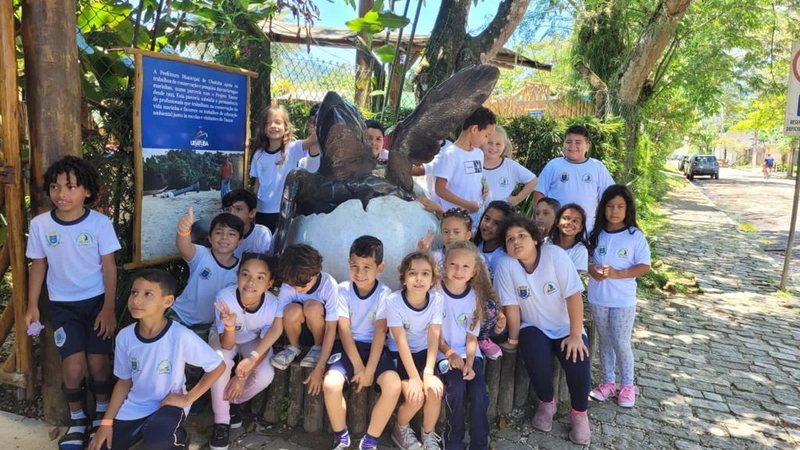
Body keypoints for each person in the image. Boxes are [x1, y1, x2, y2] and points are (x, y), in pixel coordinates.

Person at [25, 156, 121, 449]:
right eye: (55, 187)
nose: (61, 194)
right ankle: (78, 419)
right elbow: (38, 265)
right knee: (74, 365)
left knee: (98, 362)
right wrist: (32, 305)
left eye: (70, 187)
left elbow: (109, 267)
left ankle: (102, 417)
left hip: (95, 304)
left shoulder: (100, 224)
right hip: (62, 306)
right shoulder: (41, 225)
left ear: (87, 191)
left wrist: (108, 307)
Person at [88, 269, 225, 450]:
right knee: (102, 446)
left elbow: (218, 366)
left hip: (168, 405)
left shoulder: (180, 336)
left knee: (158, 440)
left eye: (148, 294)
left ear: (167, 301)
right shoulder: (125, 336)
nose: (136, 300)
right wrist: (106, 422)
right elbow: (124, 381)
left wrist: (187, 399)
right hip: (135, 406)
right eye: (134, 292)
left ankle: (180, 441)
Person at [494, 215, 592, 446]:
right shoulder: (505, 265)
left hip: (566, 326)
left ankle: (579, 413)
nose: (516, 242)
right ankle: (547, 402)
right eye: (509, 239)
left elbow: (574, 296)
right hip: (534, 327)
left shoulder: (555, 255)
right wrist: (513, 339)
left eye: (521, 236)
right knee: (532, 349)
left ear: (535, 239)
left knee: (578, 358)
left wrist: (576, 335)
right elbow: (513, 308)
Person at [323, 236, 400, 450]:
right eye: (355, 266)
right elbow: (344, 330)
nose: (360, 273)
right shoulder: (343, 290)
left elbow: (380, 333)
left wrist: (370, 371)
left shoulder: (385, 294)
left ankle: (370, 439)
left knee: (393, 385)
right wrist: (358, 367)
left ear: (380, 267)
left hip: (375, 350)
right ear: (348, 263)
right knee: (330, 384)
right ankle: (341, 435)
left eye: (367, 267)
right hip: (348, 347)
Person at [208, 253, 283, 450]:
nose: (251, 282)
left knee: (266, 374)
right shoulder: (225, 298)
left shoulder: (273, 304)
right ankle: (222, 421)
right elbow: (226, 344)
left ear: (269, 283)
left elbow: (265, 343)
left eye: (260, 277)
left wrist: (242, 376)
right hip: (225, 337)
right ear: (238, 275)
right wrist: (230, 326)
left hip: (253, 340)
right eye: (245, 274)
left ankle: (232, 402)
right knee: (220, 359)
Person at [587, 185, 651, 408]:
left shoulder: (635, 236)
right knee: (605, 341)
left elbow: (644, 266)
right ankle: (607, 383)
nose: (614, 211)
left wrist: (619, 274)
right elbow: (587, 261)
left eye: (620, 206)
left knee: (621, 343)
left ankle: (627, 386)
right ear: (603, 208)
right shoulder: (596, 234)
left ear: (628, 209)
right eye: (610, 206)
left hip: (623, 301)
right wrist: (592, 269)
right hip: (598, 298)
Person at [438, 241, 504, 450]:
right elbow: (433, 335)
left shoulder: (475, 298)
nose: (458, 271)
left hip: (469, 353)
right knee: (456, 388)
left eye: (465, 266)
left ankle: (479, 443)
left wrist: (469, 362)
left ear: (474, 271)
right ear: (444, 266)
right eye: (453, 264)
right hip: (443, 354)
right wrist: (450, 354)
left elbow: (471, 337)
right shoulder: (435, 294)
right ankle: (453, 439)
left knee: (479, 394)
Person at [384, 251, 444, 450]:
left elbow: (434, 336)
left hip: (423, 354)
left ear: (433, 279)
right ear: (403, 278)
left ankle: (428, 435)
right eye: (412, 273)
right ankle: (400, 429)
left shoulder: (437, 299)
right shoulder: (393, 301)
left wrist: (427, 372)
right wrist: (414, 378)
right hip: (399, 356)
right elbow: (400, 342)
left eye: (425, 274)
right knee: (415, 396)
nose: (419, 279)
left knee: (435, 390)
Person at [271, 244, 340, 399]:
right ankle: (294, 347)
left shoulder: (328, 285)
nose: (298, 289)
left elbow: (331, 327)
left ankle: (316, 347)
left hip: (321, 332)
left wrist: (321, 365)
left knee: (312, 307)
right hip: (298, 331)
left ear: (316, 272)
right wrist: (256, 355)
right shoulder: (288, 286)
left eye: (303, 284)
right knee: (290, 310)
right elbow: (278, 322)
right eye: (293, 285)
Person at [172, 209, 242, 338]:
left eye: (231, 234)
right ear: (210, 238)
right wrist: (184, 230)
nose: (224, 237)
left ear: (240, 241)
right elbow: (184, 247)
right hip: (179, 316)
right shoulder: (201, 254)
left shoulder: (241, 270)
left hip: (207, 326)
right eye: (219, 232)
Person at [249, 105, 320, 232]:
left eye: (278, 122)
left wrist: (318, 119)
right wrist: (252, 207)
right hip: (262, 210)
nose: (273, 126)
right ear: (263, 128)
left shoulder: (293, 149)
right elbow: (257, 183)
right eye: (268, 123)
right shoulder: (258, 154)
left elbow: (314, 138)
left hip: (286, 211)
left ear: (285, 127)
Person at [534, 124, 614, 231]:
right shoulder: (553, 165)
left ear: (587, 146)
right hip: (556, 228)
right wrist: (540, 221)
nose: (572, 146)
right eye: (568, 142)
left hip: (588, 229)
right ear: (563, 145)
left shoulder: (597, 167)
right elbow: (539, 193)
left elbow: (610, 196)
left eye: (578, 142)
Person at [434, 107, 497, 224]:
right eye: (486, 136)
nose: (486, 141)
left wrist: (484, 186)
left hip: (476, 218)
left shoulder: (478, 154)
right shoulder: (450, 154)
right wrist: (467, 205)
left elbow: (477, 177)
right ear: (474, 129)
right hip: (456, 220)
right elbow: (440, 189)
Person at [481, 126, 537, 206]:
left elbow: (533, 181)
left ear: (504, 146)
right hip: (475, 215)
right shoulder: (475, 162)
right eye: (489, 143)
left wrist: (517, 199)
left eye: (498, 144)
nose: (493, 147)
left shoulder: (510, 166)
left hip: (501, 216)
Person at [222, 189, 273, 258]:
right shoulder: (220, 234)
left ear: (252, 213)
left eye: (238, 209)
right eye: (227, 209)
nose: (232, 214)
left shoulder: (261, 234)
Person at [473, 200, 513, 278]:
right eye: (487, 219)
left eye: (497, 223)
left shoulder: (502, 258)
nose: (488, 225)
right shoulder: (474, 242)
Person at [551, 203, 589, 274]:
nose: (569, 223)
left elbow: (573, 279)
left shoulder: (580, 250)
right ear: (557, 222)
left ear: (580, 228)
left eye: (575, 221)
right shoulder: (546, 243)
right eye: (566, 218)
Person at [298, 103, 322, 172]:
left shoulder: (333, 154)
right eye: (313, 121)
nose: (315, 125)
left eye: (319, 122)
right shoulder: (300, 151)